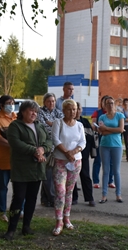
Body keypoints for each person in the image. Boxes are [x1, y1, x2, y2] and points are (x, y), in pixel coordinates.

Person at [4, 101, 53, 240]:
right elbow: (15, 143)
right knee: (18, 198)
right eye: (31, 111)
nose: (34, 114)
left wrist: (43, 149)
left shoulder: (39, 126)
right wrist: (35, 151)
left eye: (36, 112)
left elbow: (49, 141)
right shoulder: (15, 126)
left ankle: (26, 226)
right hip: (21, 168)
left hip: (37, 168)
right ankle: (11, 229)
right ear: (23, 112)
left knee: (32, 198)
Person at [51, 99, 86, 235]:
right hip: (60, 160)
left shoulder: (79, 125)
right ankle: (58, 220)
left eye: (74, 109)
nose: (72, 112)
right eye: (69, 109)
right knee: (60, 191)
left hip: (75, 161)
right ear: (64, 110)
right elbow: (55, 139)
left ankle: (67, 217)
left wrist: (74, 152)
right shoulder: (58, 123)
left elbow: (83, 142)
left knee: (69, 191)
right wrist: (66, 152)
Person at [38, 92, 64, 207]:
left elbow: (62, 127)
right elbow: (42, 128)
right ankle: (52, 198)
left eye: (53, 101)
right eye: (49, 101)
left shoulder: (58, 112)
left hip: (57, 147)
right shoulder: (40, 112)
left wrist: (51, 124)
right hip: (45, 146)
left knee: (53, 174)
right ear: (44, 102)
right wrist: (55, 125)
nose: (51, 103)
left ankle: (45, 199)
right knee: (47, 174)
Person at [98, 97, 125, 203]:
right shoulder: (102, 117)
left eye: (112, 103)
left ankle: (118, 194)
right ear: (104, 105)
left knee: (116, 171)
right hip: (104, 145)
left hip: (116, 146)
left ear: (114, 104)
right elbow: (102, 132)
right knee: (105, 170)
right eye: (108, 103)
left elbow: (121, 129)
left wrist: (107, 128)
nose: (110, 105)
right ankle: (104, 195)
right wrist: (113, 130)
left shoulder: (119, 115)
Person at [73, 102, 96, 206]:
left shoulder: (85, 122)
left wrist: (91, 151)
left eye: (79, 108)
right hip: (72, 154)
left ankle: (89, 198)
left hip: (84, 154)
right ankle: (74, 198)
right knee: (72, 177)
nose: (77, 110)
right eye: (75, 108)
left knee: (85, 175)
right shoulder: (70, 122)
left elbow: (91, 138)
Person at [91, 95, 114, 189]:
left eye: (110, 103)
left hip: (112, 139)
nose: (108, 104)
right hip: (100, 138)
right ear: (102, 103)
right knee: (98, 160)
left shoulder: (114, 114)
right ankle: (96, 181)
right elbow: (93, 124)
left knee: (111, 161)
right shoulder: (98, 112)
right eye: (106, 102)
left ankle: (110, 181)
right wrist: (98, 128)